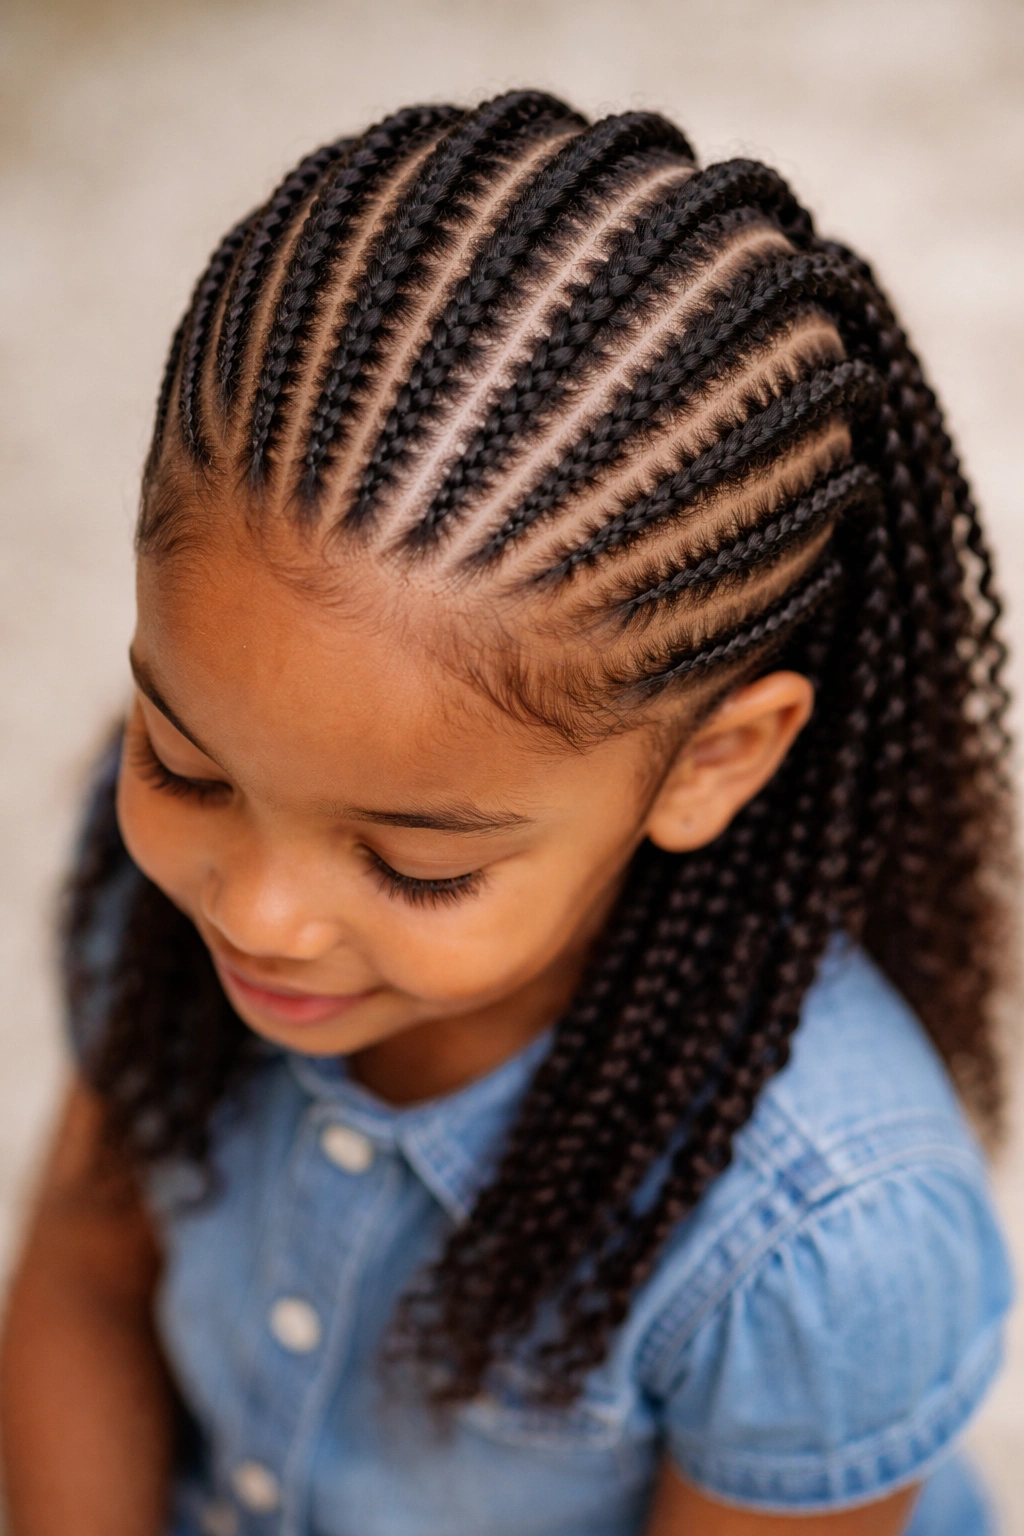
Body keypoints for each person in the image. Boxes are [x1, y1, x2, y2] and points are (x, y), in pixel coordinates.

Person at [0, 91, 1014, 1536]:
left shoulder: (824, 1236)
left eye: (415, 863)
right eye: (183, 763)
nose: (252, 904)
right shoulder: (175, 886)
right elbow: (86, 1280)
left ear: (712, 763)